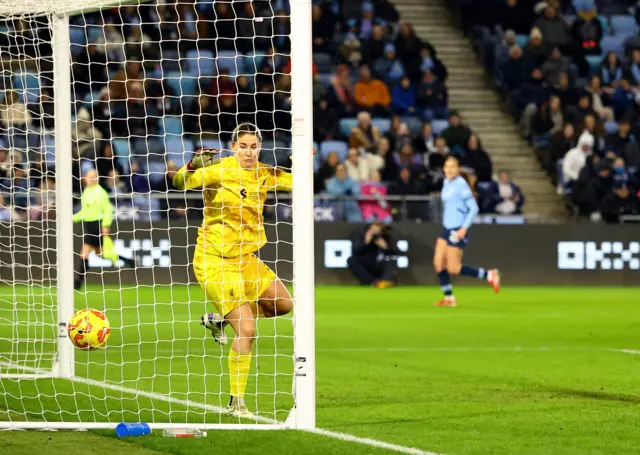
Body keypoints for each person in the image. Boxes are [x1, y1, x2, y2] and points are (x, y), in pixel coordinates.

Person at [172, 123, 297, 418]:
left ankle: (218, 320)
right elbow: (179, 183)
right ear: (233, 147)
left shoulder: (265, 174)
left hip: (245, 259)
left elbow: (300, 182)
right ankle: (236, 403)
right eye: (243, 146)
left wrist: (306, 161)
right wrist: (190, 165)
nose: (249, 152)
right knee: (248, 330)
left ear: (260, 148)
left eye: (254, 146)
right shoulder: (219, 170)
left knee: (283, 303)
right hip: (215, 260)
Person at [433, 156, 500, 307]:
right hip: (447, 228)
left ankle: (489, 274)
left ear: (457, 170)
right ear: (444, 169)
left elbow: (474, 208)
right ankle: (449, 298)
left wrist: (464, 228)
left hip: (457, 229)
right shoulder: (446, 182)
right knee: (438, 264)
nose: (449, 170)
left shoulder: (461, 185)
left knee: (453, 268)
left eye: (452, 167)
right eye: (447, 167)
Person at [72, 169, 135, 290]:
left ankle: (78, 282)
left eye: (93, 177)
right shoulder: (86, 191)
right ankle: (127, 260)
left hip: (97, 225)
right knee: (101, 253)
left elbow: (108, 209)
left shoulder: (100, 192)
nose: (90, 179)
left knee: (84, 252)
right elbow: (86, 210)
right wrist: (74, 218)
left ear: (97, 179)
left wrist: (105, 225)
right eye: (88, 177)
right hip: (88, 224)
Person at [347, 221, 399, 288]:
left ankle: (385, 281)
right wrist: (365, 242)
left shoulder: (386, 238)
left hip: (379, 264)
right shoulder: (360, 237)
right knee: (351, 260)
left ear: (381, 231)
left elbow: (397, 252)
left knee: (392, 260)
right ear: (369, 230)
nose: (375, 233)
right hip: (365, 264)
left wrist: (386, 247)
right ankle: (372, 282)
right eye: (373, 230)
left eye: (377, 231)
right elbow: (355, 251)